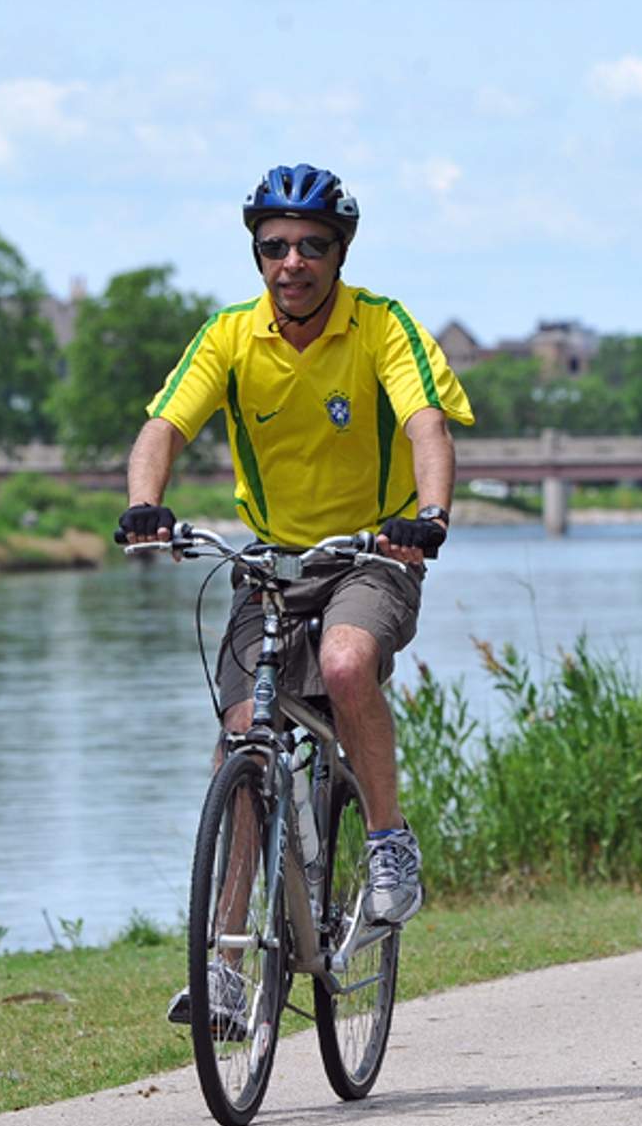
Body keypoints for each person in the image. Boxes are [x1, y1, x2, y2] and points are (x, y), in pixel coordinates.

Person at [118, 163, 474, 1030]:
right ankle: (232, 967)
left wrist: (428, 516)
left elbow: (426, 421)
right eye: (274, 247)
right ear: (257, 255)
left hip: (373, 553)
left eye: (312, 246)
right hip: (272, 562)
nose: (292, 263)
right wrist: (142, 505)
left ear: (339, 252)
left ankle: (388, 844)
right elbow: (163, 425)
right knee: (243, 735)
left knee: (348, 663)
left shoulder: (382, 327)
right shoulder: (232, 336)